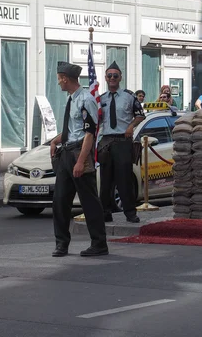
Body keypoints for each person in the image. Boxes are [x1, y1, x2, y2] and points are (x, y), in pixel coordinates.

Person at [49, 62, 107, 257]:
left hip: (78, 153)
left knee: (89, 201)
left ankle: (99, 244)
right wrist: (55, 140)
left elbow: (89, 133)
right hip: (66, 153)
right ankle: (61, 244)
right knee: (60, 201)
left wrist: (81, 161)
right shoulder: (71, 99)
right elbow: (73, 129)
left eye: (59, 79)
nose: (58, 83)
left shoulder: (86, 99)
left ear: (65, 78)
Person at [98, 61, 146, 223]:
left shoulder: (129, 96)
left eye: (115, 76)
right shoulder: (100, 98)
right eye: (109, 75)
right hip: (106, 142)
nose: (112, 78)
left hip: (122, 140)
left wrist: (131, 126)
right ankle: (105, 212)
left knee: (124, 179)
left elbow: (140, 115)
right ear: (105, 78)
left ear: (120, 78)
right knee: (105, 179)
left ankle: (130, 213)